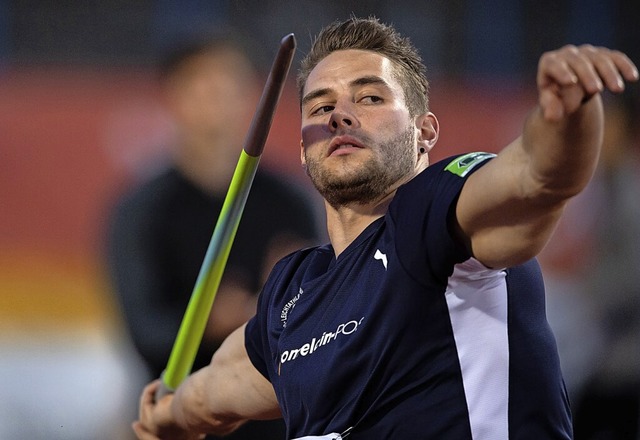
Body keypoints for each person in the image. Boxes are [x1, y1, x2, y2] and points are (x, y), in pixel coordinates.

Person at [131, 17, 639, 440]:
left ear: (425, 131)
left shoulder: (437, 217)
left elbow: (536, 177)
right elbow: (217, 387)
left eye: (370, 98)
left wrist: (568, 115)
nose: (340, 117)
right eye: (322, 106)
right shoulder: (292, 294)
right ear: (305, 147)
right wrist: (169, 415)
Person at [107, 32, 320, 440]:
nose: (217, 101)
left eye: (229, 86)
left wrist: (284, 304)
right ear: (175, 98)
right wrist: (209, 322)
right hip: (179, 416)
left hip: (273, 419)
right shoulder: (142, 209)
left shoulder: (292, 200)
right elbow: (143, 330)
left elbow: (327, 320)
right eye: (203, 86)